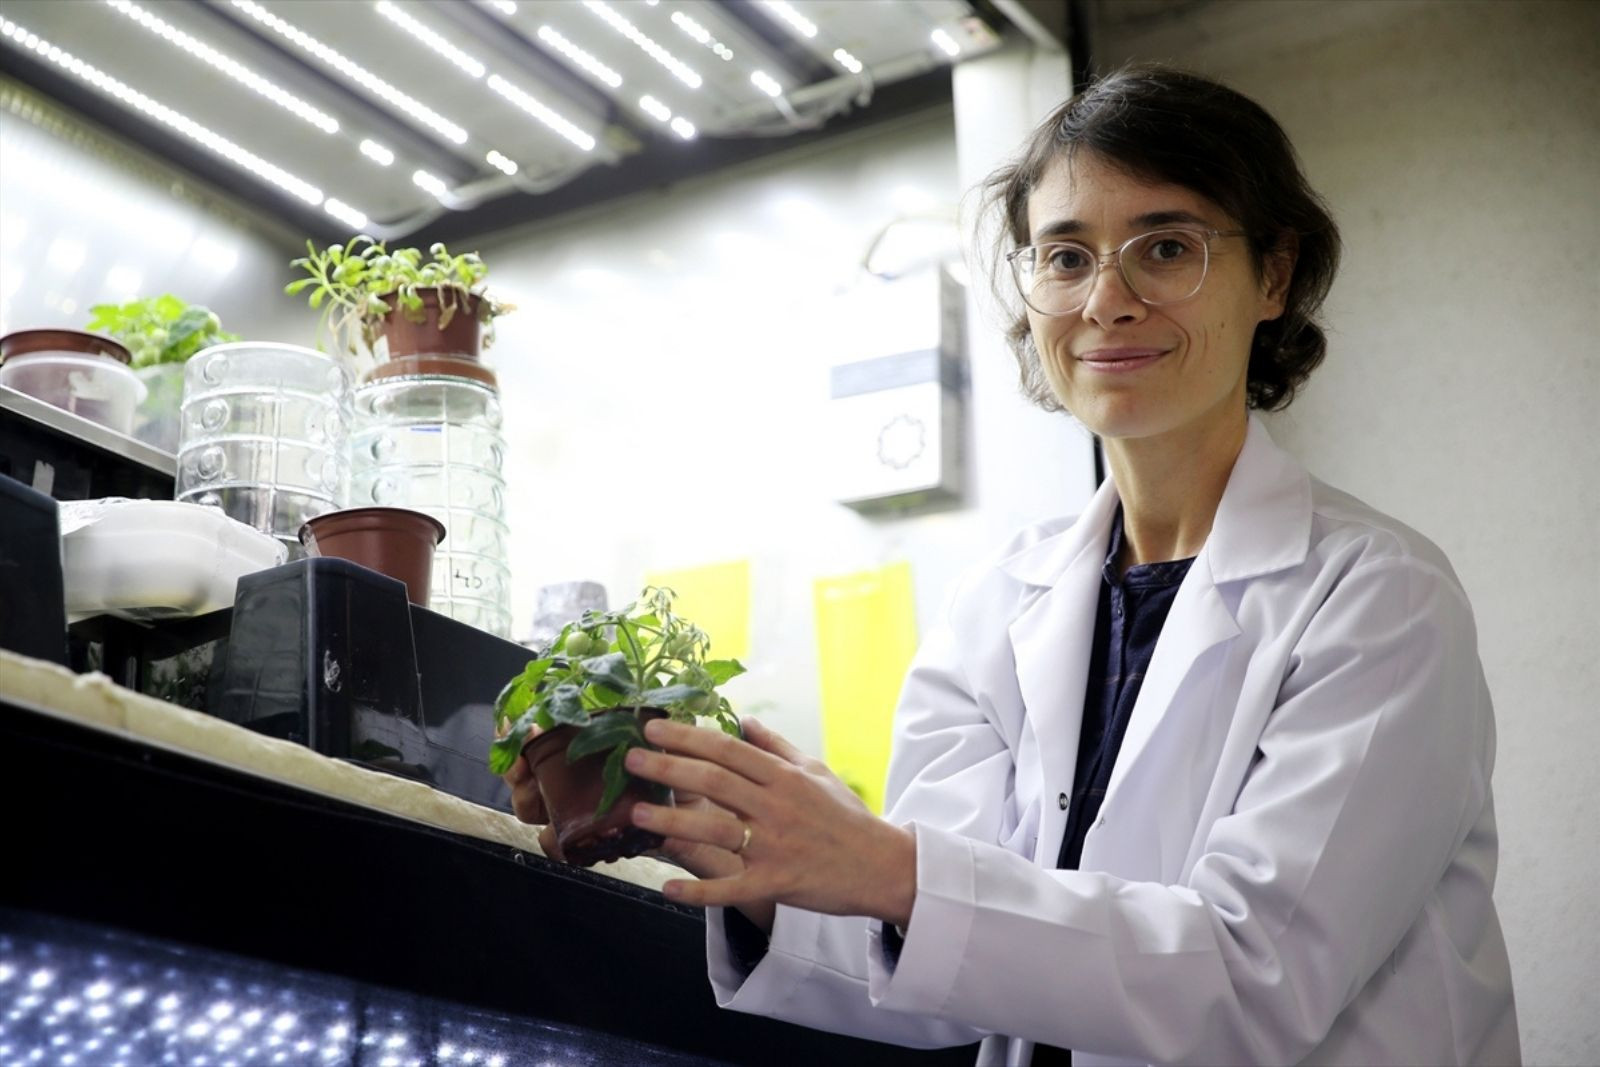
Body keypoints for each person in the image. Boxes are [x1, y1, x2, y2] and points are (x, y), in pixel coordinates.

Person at [505, 66, 1519, 1066]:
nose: (1106, 300)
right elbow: (940, 976)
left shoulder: (1380, 599)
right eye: (1066, 256)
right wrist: (747, 851)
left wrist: (892, 867)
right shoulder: (996, 603)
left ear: (1275, 275)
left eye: (1167, 247)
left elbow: (1256, 978)